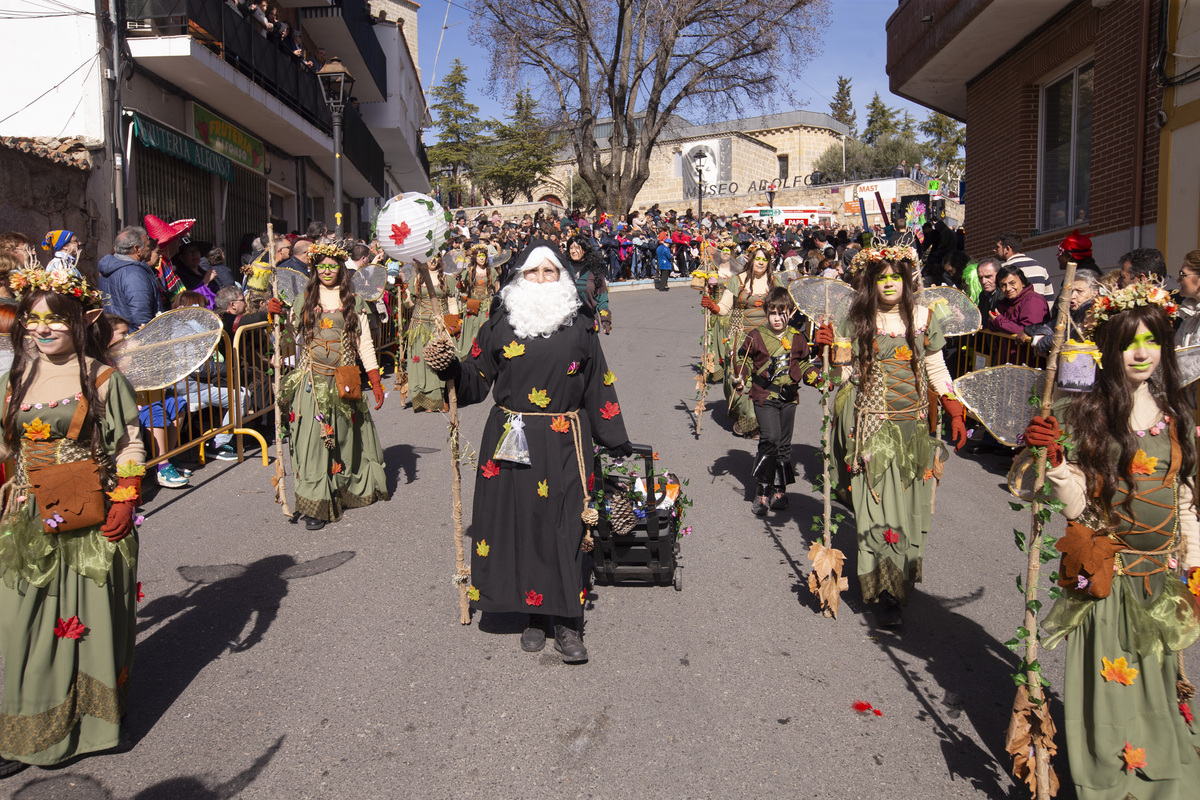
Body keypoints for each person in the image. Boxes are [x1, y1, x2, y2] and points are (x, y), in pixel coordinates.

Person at [1024, 284, 1200, 800]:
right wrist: (1055, 463)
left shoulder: (1180, 418)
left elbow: (1186, 497)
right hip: (1107, 579)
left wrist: (1194, 564)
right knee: (1109, 691)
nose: (1142, 352)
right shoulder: (1086, 415)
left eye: (1151, 340)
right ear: (1108, 350)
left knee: (1156, 687)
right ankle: (1107, 784)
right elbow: (1079, 508)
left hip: (1160, 581)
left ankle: (1162, 784)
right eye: (1129, 342)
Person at [424, 242, 632, 664]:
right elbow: (476, 378)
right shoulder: (500, 322)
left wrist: (613, 438)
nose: (541, 279)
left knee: (567, 525)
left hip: (565, 437)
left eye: (549, 272)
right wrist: (449, 367)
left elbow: (597, 382)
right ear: (519, 277)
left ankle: (567, 620)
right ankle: (535, 614)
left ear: (562, 277)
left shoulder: (582, 325)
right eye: (533, 272)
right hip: (510, 438)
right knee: (522, 523)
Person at [0, 267, 145, 773]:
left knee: (89, 621)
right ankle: (31, 725)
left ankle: (94, 723)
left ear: (81, 321)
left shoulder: (103, 376)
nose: (41, 328)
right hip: (27, 519)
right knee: (24, 623)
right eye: (33, 318)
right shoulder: (14, 379)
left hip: (88, 516)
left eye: (54, 320)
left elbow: (130, 441)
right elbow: (7, 447)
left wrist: (126, 497)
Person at [812, 249, 967, 627]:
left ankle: (899, 585)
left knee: (909, 514)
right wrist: (827, 355)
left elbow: (935, 366)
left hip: (913, 431)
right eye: (881, 276)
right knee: (878, 512)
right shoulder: (856, 319)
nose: (888, 283)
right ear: (871, 281)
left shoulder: (922, 317)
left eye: (895, 276)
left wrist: (952, 403)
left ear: (907, 279)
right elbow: (843, 378)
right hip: (872, 430)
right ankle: (884, 593)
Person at [267, 242, 389, 530]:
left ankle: (342, 489)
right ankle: (316, 505)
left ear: (341, 268)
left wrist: (374, 378)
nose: (326, 271)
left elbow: (365, 344)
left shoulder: (353, 301)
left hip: (344, 380)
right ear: (314, 268)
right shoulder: (304, 300)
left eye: (332, 266)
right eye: (321, 266)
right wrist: (274, 317)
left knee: (344, 440)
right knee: (312, 443)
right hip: (310, 381)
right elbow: (286, 341)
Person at [732, 287, 811, 515]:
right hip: (764, 395)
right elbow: (744, 361)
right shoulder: (755, 336)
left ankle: (780, 489)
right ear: (766, 312)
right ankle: (762, 490)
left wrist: (814, 376)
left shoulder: (797, 337)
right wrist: (741, 377)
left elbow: (804, 364)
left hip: (788, 398)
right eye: (773, 313)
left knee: (784, 445)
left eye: (782, 312)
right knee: (770, 439)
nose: (778, 318)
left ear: (791, 312)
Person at [704, 242, 783, 438]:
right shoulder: (737, 281)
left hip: (768, 339)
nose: (761, 262)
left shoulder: (775, 282)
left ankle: (759, 422)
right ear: (751, 259)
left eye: (765, 259)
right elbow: (724, 308)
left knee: (765, 380)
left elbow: (784, 311)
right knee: (740, 379)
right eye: (758, 258)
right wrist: (712, 306)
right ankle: (744, 417)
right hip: (742, 338)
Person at [404, 257, 458, 412]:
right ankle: (424, 400)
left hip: (440, 325)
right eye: (429, 257)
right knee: (421, 362)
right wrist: (405, 295)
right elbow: (410, 304)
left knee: (439, 360)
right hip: (420, 324)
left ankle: (441, 398)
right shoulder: (415, 279)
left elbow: (452, 302)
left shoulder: (446, 279)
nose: (433, 260)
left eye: (436, 257)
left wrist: (454, 324)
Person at [97, 226, 165, 331]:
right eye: (148, 246)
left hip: (114, 335)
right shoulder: (134, 273)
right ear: (137, 249)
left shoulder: (108, 270)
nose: (150, 250)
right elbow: (141, 317)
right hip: (132, 340)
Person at [456, 244, 500, 359]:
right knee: (471, 330)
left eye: (483, 255)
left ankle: (484, 355)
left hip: (486, 304)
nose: (481, 258)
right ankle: (468, 355)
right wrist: (460, 284)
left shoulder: (491, 271)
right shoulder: (469, 271)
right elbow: (464, 290)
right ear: (475, 257)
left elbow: (496, 290)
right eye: (479, 255)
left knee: (484, 329)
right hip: (473, 304)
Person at [566, 235, 611, 334]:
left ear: (585, 249)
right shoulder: (563, 270)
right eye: (571, 248)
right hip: (566, 324)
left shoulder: (594, 271)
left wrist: (605, 322)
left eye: (577, 248)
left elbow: (602, 300)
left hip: (589, 324)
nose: (573, 251)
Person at [995, 231, 1053, 299]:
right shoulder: (1040, 266)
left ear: (1007, 249)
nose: (994, 250)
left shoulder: (1003, 269)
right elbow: (1049, 297)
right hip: (1040, 308)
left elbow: (999, 297)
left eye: (997, 247)